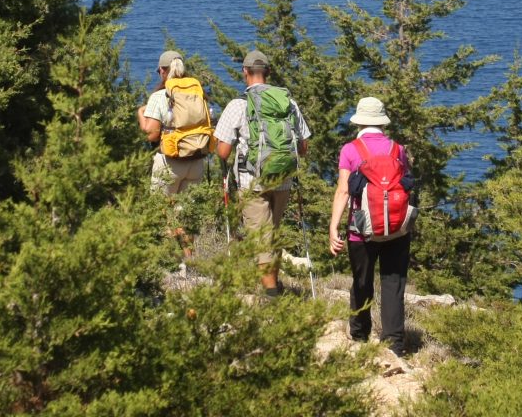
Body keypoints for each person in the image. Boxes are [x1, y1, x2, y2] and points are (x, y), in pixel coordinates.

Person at [213, 49, 310, 295]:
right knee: (273, 235)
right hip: (283, 180)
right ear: (268, 72)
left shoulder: (238, 105)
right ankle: (274, 287)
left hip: (252, 182)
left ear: (245, 72)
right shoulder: (288, 102)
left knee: (261, 241)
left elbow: (222, 152)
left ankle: (272, 297)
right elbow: (303, 147)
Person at [328, 96, 411, 356]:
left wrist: (333, 227)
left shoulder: (351, 150)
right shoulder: (398, 149)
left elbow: (343, 191)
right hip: (396, 227)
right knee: (393, 282)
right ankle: (394, 343)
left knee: (361, 280)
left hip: (361, 226)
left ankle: (359, 333)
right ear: (382, 123)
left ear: (359, 122)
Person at [136, 49, 209, 197]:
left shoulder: (159, 96)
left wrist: (140, 113)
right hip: (196, 160)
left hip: (170, 162)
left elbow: (151, 135)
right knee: (187, 210)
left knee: (161, 209)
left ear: (163, 71)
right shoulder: (196, 93)